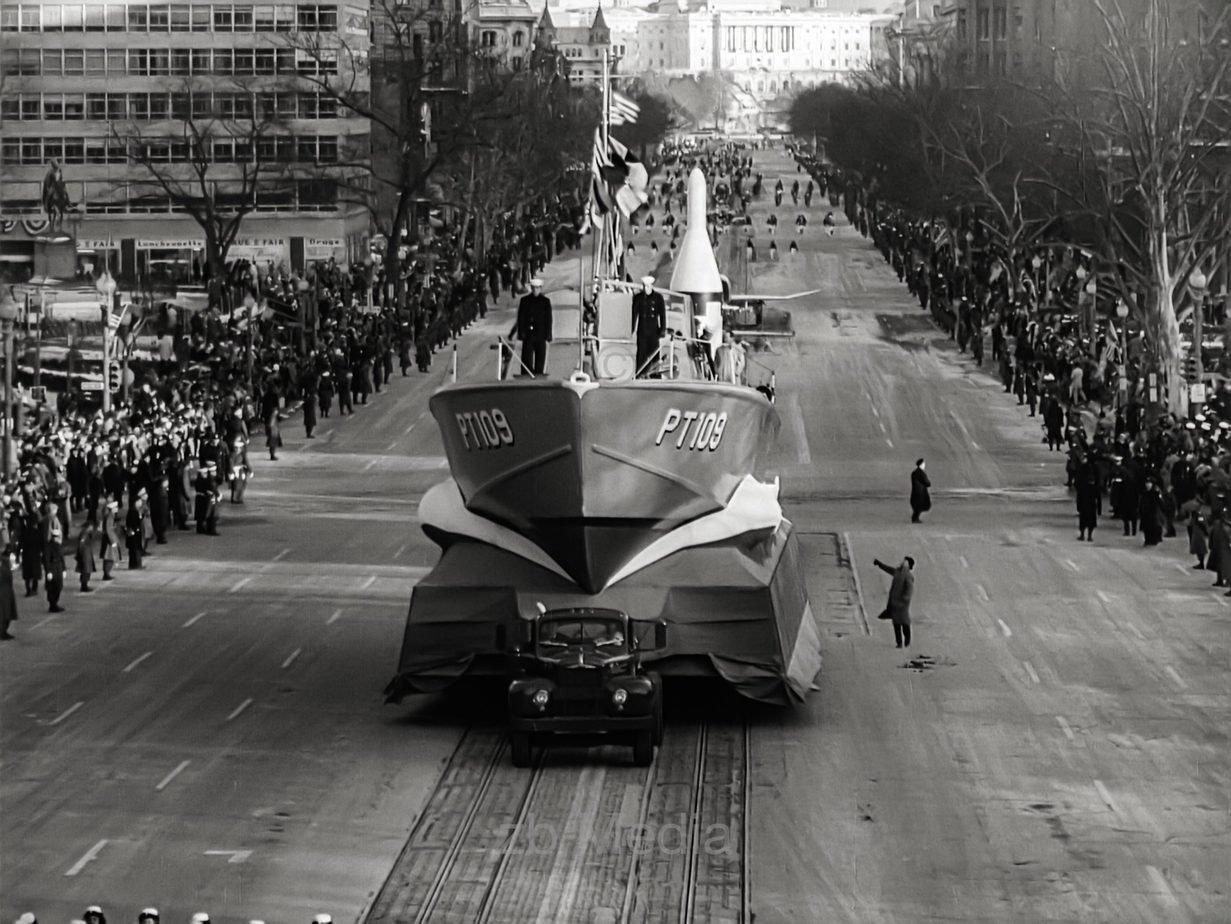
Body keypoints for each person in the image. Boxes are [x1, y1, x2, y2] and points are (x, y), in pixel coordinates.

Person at [509, 277, 552, 376]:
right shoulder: (525, 300)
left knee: (540, 358)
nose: (535, 290)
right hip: (528, 335)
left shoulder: (545, 301)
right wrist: (521, 333)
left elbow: (548, 319)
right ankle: (526, 375)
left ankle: (539, 375)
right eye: (533, 288)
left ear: (540, 288)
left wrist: (548, 334)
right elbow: (521, 318)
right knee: (527, 358)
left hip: (541, 334)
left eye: (537, 288)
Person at [874, 556, 915, 648]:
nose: (901, 562)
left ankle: (907, 642)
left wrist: (904, 599)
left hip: (902, 604)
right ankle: (899, 643)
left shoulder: (908, 575)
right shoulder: (898, 572)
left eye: (904, 561)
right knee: (896, 623)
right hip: (895, 602)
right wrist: (880, 564)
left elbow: (909, 589)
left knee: (904, 623)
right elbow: (889, 569)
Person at [631, 275, 666, 378]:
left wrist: (663, 329)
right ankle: (640, 374)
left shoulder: (658, 298)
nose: (646, 288)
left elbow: (662, 314)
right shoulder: (638, 298)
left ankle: (655, 374)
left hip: (654, 330)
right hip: (642, 330)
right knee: (641, 353)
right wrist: (631, 329)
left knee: (654, 353)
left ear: (651, 286)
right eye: (644, 286)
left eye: (647, 286)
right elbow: (634, 314)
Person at [1075, 452, 1101, 541]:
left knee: (1083, 516)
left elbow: (1077, 482)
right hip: (1091, 497)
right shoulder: (1094, 468)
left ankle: (1083, 534)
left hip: (1084, 496)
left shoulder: (1082, 468)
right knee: (1091, 517)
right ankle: (1089, 535)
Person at [43, 530, 66, 613]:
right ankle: (52, 605)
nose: (57, 538)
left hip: (58, 568)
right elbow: (46, 560)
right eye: (55, 537)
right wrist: (48, 571)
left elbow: (62, 558)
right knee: (51, 588)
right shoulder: (48, 547)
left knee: (58, 586)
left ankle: (55, 603)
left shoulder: (58, 546)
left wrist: (64, 569)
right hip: (52, 568)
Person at [74, 522, 97, 592]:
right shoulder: (84, 533)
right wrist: (80, 554)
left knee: (86, 570)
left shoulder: (86, 533)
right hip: (85, 554)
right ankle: (84, 586)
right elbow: (81, 543)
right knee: (85, 570)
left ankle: (85, 585)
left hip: (86, 553)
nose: (92, 528)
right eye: (91, 527)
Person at [1, 551, 17, 640]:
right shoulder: (4, 562)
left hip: (6, 589)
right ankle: (2, 632)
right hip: (4, 591)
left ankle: (3, 631)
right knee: (4, 611)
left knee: (6, 611)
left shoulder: (5, 561)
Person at [910, 458, 932, 524]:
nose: (924, 465)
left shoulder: (914, 473)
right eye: (924, 464)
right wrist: (928, 483)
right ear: (921, 464)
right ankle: (915, 519)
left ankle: (915, 518)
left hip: (915, 491)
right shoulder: (921, 473)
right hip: (921, 492)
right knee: (920, 505)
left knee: (916, 505)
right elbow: (927, 482)